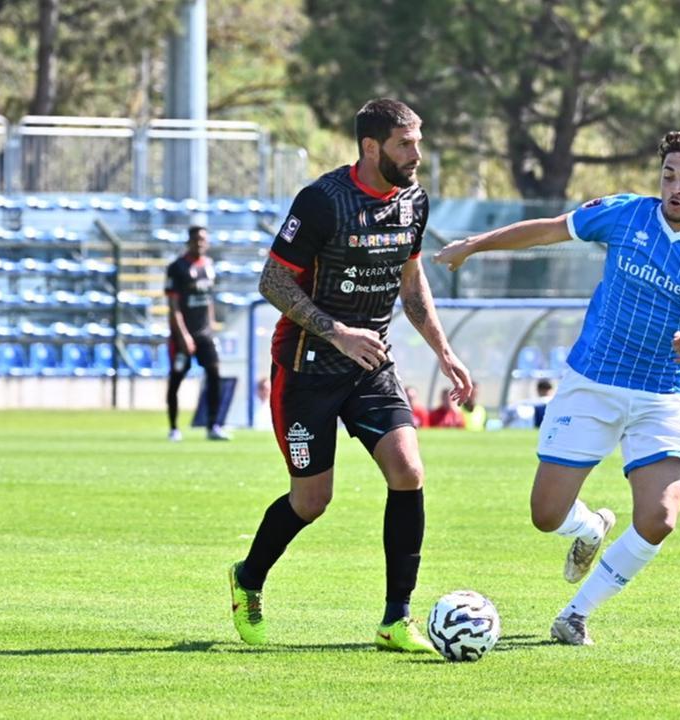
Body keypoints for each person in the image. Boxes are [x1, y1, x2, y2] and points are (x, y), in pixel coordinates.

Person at [435, 130, 680, 645]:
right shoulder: (625, 213)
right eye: (668, 175)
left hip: (659, 395)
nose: (674, 187)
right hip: (592, 383)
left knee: (659, 517)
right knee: (546, 516)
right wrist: (474, 246)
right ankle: (589, 528)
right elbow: (547, 230)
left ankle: (575, 615)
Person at [229, 98, 472, 653]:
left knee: (408, 470)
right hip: (306, 369)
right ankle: (248, 579)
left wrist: (444, 350)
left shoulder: (414, 202)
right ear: (371, 147)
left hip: (371, 368)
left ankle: (395, 619)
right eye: (405, 143)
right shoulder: (321, 201)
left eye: (418, 140)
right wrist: (336, 331)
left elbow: (411, 285)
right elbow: (272, 281)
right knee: (312, 501)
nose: (417, 153)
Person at [165, 226, 229, 442]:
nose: (200, 243)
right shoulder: (177, 267)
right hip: (182, 335)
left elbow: (208, 300)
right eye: (196, 239)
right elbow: (173, 305)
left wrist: (211, 327)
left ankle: (213, 426)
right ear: (189, 241)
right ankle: (173, 427)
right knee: (176, 380)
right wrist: (183, 335)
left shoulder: (210, 266)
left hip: (205, 334)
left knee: (215, 374)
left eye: (203, 239)